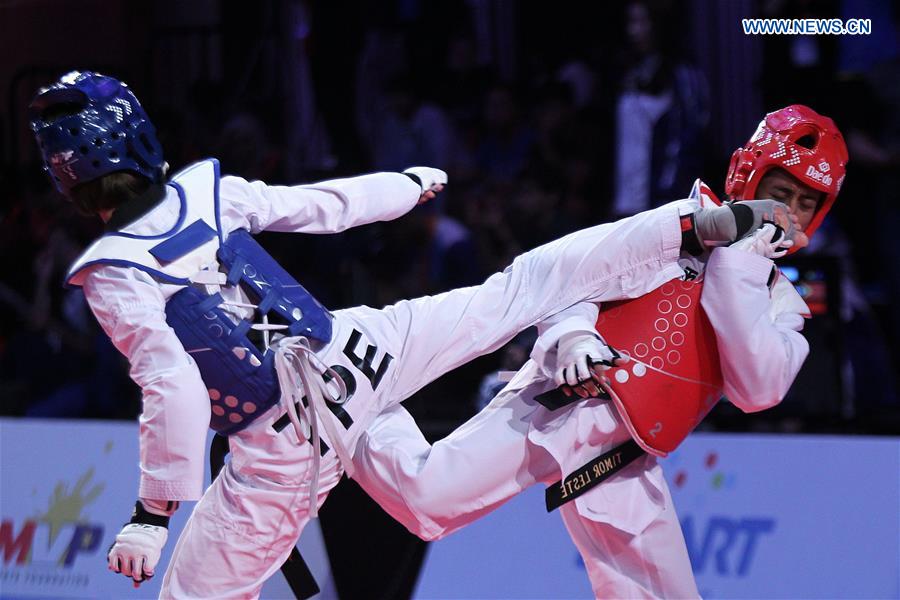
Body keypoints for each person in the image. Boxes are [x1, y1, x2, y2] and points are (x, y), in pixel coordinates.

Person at [28, 71, 782, 597]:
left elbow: (174, 390)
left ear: (68, 178)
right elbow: (322, 203)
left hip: (284, 445)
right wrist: (406, 187)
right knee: (515, 291)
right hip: (360, 355)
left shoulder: (113, 271)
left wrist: (152, 516)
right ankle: (679, 226)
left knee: (197, 595)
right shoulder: (203, 188)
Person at [350, 104, 848, 598]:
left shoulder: (780, 302)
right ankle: (349, 393)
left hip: (625, 459)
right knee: (428, 500)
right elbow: (573, 282)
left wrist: (740, 269)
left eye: (807, 203)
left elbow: (757, 389)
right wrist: (573, 338)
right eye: (781, 193)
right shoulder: (678, 229)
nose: (790, 213)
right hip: (565, 406)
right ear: (748, 175)